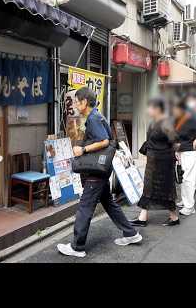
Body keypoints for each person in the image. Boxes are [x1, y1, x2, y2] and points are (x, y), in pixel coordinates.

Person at [57, 87, 142, 258]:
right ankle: (131, 233)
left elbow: (103, 141)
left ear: (84, 102)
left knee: (85, 207)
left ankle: (77, 246)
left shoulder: (94, 118)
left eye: (76, 101)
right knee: (109, 203)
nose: (75, 104)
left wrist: (83, 149)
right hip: (102, 169)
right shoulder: (97, 116)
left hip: (96, 171)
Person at [130, 97, 180, 227]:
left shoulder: (166, 123)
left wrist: (174, 155)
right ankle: (143, 217)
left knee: (164, 189)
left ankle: (173, 217)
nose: (148, 110)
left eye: (150, 107)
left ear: (157, 109)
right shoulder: (154, 122)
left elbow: (175, 142)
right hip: (153, 161)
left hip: (162, 163)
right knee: (149, 188)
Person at [173, 99, 196, 216]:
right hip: (182, 152)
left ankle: (189, 207)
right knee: (183, 178)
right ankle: (185, 201)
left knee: (189, 180)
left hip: (191, 152)